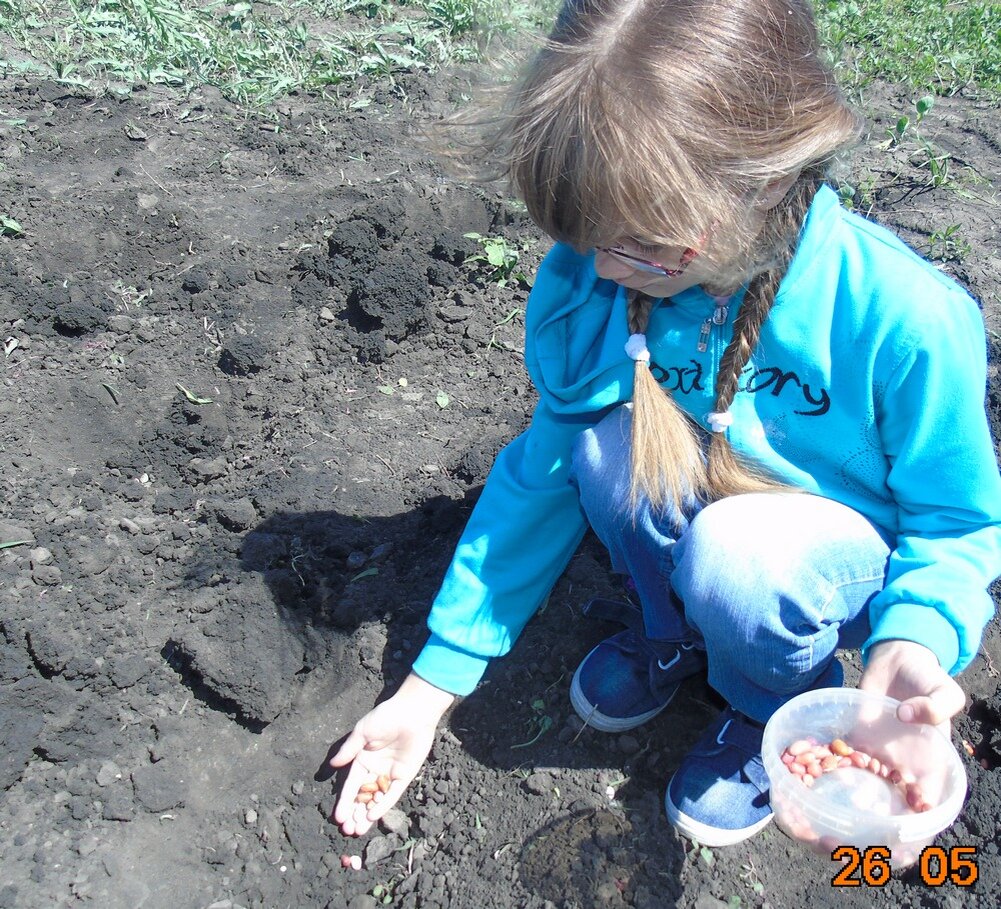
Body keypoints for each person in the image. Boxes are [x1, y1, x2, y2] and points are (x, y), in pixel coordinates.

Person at [329, 0, 1001, 847]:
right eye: (589, 238)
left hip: (818, 568)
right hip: (715, 519)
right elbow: (542, 475)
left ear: (763, 180)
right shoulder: (599, 275)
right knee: (599, 450)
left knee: (741, 559)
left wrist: (912, 639)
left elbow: (954, 523)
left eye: (641, 244)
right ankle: (672, 633)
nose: (604, 269)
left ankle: (767, 704)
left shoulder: (906, 320)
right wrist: (430, 687)